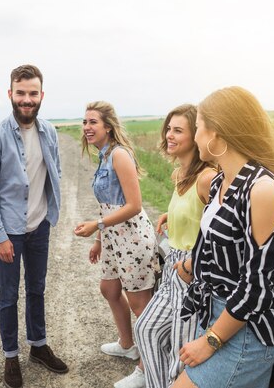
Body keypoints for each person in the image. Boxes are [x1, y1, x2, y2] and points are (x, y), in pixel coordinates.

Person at [172, 86, 274, 388]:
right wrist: (194, 265)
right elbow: (224, 246)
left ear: (216, 134)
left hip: (247, 334)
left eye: (198, 127)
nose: (196, 136)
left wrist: (210, 341)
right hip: (219, 316)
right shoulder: (221, 183)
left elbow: (259, 286)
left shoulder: (261, 188)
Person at [0, 64, 68, 388]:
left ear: (41, 95)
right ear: (10, 94)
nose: (26, 100)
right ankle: (10, 355)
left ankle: (39, 346)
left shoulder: (50, 132)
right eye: (21, 93)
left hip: (38, 226)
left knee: (37, 289)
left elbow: (54, 172)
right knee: (8, 296)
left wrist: (49, 215)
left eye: (32, 93)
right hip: (9, 233)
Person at [74, 101, 158, 388]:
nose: (86, 127)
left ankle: (147, 368)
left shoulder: (119, 155)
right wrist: (100, 240)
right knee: (109, 288)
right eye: (84, 122)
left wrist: (97, 227)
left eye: (93, 122)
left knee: (141, 305)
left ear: (107, 126)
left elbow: (134, 205)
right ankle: (127, 344)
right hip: (113, 237)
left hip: (132, 237)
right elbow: (107, 206)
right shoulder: (103, 155)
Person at [134, 104, 215, 388]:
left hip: (192, 272)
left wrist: (191, 265)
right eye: (168, 128)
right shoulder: (179, 175)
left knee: (182, 354)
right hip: (172, 269)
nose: (169, 134)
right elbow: (192, 209)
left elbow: (220, 229)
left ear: (195, 136)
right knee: (146, 329)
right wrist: (174, 215)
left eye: (178, 130)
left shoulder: (207, 178)